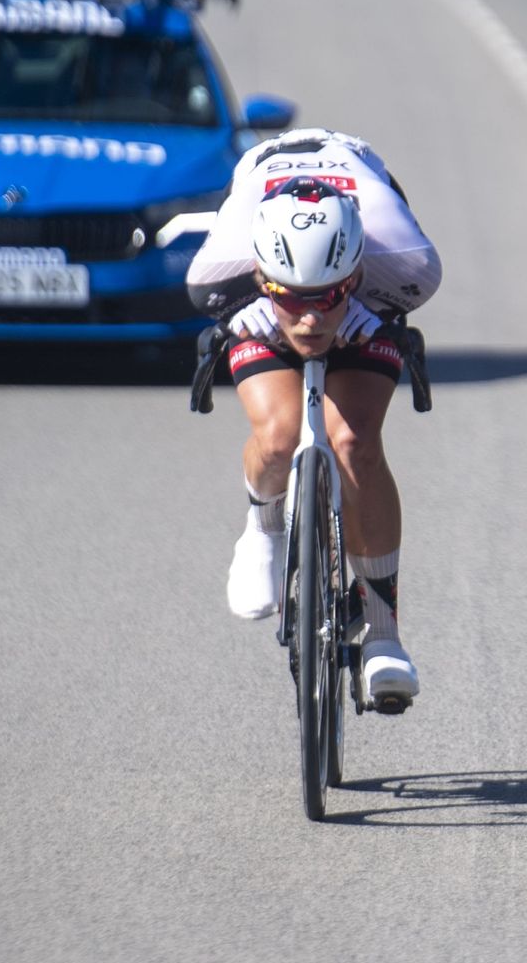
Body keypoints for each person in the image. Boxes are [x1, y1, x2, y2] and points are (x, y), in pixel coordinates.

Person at [186, 128, 441, 706]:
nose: (307, 319)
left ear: (352, 274)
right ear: (258, 276)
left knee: (352, 440)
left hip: (370, 297)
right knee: (277, 437)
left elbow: (406, 296)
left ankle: (383, 634)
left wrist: (367, 311)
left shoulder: (401, 256)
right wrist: (247, 314)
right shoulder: (221, 264)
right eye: (290, 297)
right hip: (261, 280)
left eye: (325, 295)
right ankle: (262, 527)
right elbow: (207, 302)